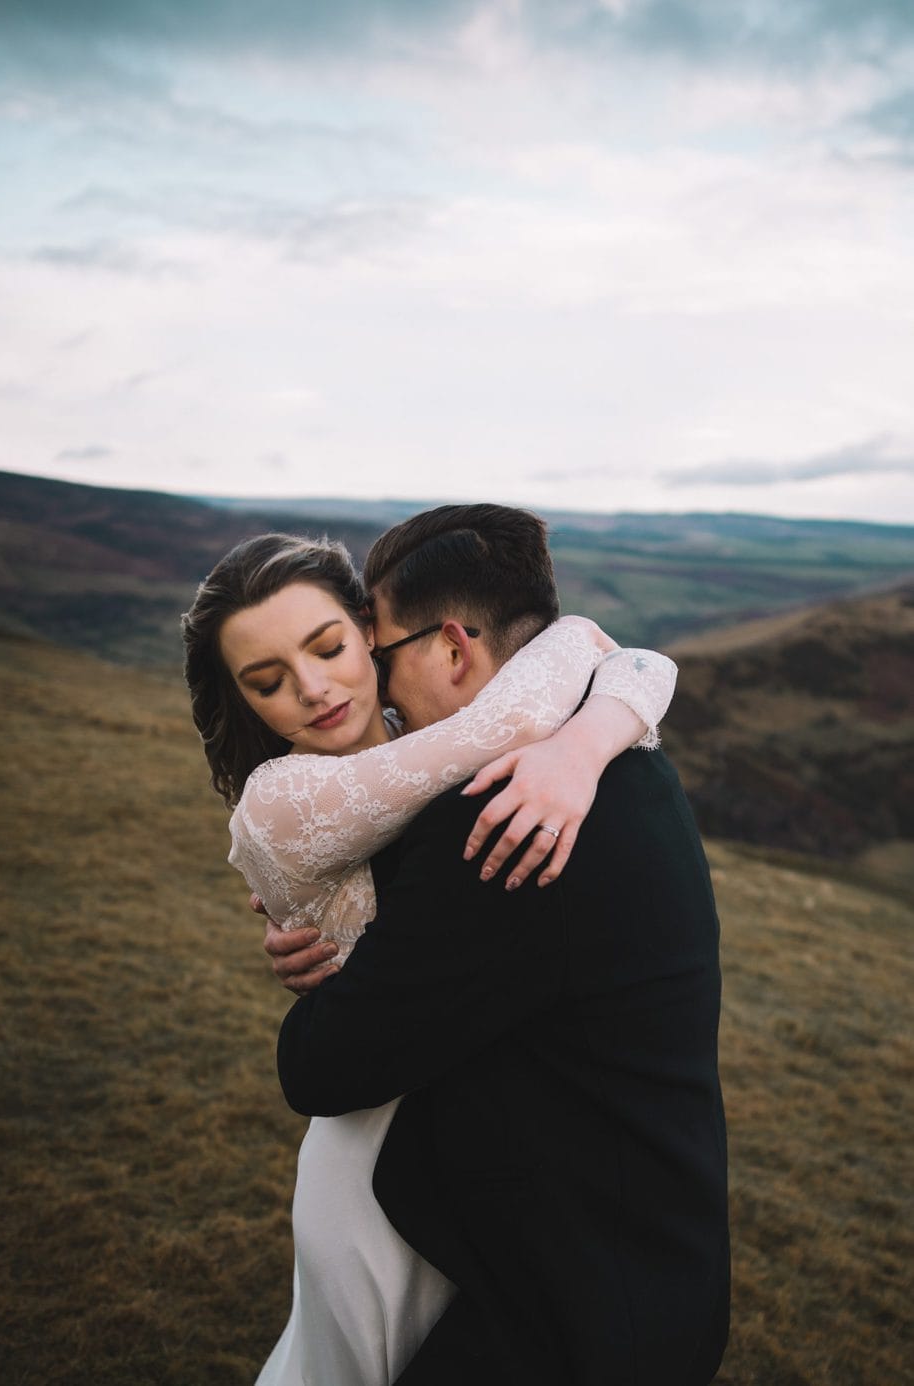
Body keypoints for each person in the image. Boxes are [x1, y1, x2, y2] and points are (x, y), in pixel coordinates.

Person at [181, 520, 679, 1386]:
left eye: (329, 646)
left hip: (476, 1152)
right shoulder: (281, 802)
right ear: (244, 702)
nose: (310, 688)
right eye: (266, 681)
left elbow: (641, 664)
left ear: (370, 632)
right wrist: (577, 739)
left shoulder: (421, 731)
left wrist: (585, 739)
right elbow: (589, 665)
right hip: (373, 1148)